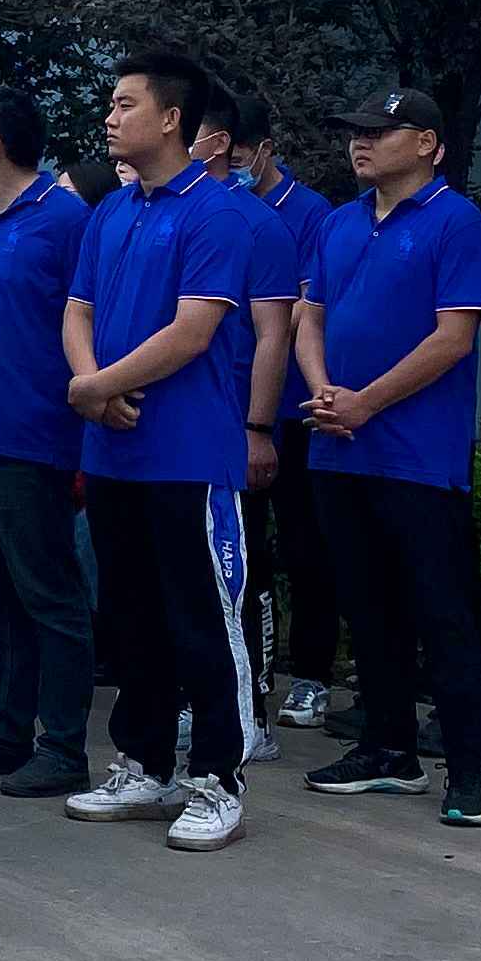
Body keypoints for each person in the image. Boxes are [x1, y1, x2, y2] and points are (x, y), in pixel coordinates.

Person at [60, 48, 261, 850]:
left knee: (202, 621)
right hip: (113, 452)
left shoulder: (215, 213)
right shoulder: (111, 210)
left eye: (125, 104)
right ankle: (144, 765)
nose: (110, 118)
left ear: (173, 118)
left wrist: (97, 386)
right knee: (130, 616)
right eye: (111, 105)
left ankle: (218, 779)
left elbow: (193, 331)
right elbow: (77, 309)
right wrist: (91, 386)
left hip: (188, 455)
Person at [294, 88, 481, 826]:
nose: (363, 142)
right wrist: (322, 390)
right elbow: (309, 315)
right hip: (339, 449)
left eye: (382, 131)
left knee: (440, 613)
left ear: (428, 144)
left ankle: (470, 772)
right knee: (367, 607)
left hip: (417, 457)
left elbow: (454, 337)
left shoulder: (455, 221)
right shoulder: (339, 221)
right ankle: (387, 748)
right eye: (357, 132)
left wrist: (367, 402)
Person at [0, 87, 96, 798]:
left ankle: (62, 745)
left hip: (30, 435)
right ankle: (6, 730)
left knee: (47, 592)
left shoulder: (65, 219)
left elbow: (88, 318)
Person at [212, 95, 341, 730]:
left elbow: (296, 315)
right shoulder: (212, 209)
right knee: (241, 551)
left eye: (239, 154)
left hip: (289, 412)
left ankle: (311, 675)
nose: (231, 165)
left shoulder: (308, 214)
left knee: (304, 545)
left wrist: (262, 419)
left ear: (265, 149)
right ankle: (238, 686)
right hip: (225, 406)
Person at [188, 89, 300, 764]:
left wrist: (258, 427)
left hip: (231, 426)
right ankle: (194, 702)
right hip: (174, 430)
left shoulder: (259, 225)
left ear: (221, 143)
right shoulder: (166, 213)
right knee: (183, 578)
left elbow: (273, 334)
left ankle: (249, 712)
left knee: (238, 571)